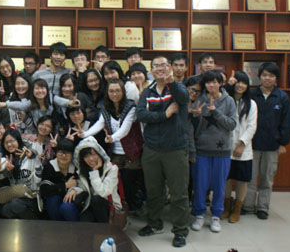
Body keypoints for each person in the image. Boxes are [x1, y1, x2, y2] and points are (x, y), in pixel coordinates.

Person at [136, 55, 191, 248]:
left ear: (170, 68)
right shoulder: (147, 91)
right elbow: (141, 114)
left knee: (178, 193)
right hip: (151, 149)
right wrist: (164, 114)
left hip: (175, 149)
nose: (160, 68)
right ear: (151, 70)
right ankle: (154, 224)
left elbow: (183, 99)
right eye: (156, 65)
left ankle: (180, 231)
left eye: (163, 65)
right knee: (153, 191)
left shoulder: (177, 88)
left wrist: (172, 83)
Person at [82, 79, 144, 213]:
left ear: (123, 92)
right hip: (115, 153)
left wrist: (113, 137)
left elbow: (125, 128)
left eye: (117, 91)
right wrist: (85, 133)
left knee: (129, 182)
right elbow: (99, 124)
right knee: (116, 183)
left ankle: (134, 208)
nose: (114, 94)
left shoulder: (130, 107)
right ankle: (121, 209)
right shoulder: (105, 108)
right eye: (111, 91)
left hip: (131, 152)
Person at [189, 70, 237, 233]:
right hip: (201, 150)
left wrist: (215, 112)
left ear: (221, 83)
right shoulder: (199, 100)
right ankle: (199, 214)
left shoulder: (229, 101)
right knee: (200, 184)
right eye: (209, 82)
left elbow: (232, 124)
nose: (212, 85)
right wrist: (195, 117)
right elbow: (192, 128)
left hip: (222, 151)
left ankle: (216, 216)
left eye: (215, 82)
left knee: (219, 185)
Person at [243, 62, 290, 220]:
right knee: (250, 177)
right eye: (264, 75)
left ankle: (263, 207)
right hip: (252, 144)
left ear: (276, 78)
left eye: (271, 76)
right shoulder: (251, 94)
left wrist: (283, 143)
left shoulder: (282, 97)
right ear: (259, 76)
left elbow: (287, 122)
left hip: (272, 145)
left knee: (267, 178)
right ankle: (247, 205)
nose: (267, 78)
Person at [223, 71, 257, 223]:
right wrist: (227, 84)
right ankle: (226, 207)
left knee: (242, 180)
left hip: (244, 149)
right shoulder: (226, 100)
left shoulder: (251, 104)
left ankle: (237, 209)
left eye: (244, 83)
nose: (240, 85)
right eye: (238, 82)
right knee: (226, 178)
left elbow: (252, 126)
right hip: (226, 146)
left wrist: (242, 145)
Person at [72, 136, 123, 223]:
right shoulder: (83, 171)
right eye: (86, 156)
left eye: (94, 154)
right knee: (84, 222)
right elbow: (84, 189)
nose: (91, 159)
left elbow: (103, 192)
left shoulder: (111, 168)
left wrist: (94, 172)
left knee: (96, 200)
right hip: (91, 205)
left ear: (100, 154)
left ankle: (106, 229)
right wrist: (74, 190)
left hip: (109, 206)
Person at [0, 128, 39, 219]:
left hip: (31, 196)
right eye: (6, 142)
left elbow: (34, 152)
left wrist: (31, 154)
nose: (9, 144)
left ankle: (34, 222)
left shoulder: (28, 152)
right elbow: (1, 174)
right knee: (4, 208)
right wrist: (7, 170)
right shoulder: (6, 158)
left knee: (14, 205)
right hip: (16, 194)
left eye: (12, 141)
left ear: (18, 140)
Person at [39, 138, 80, 221]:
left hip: (72, 200)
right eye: (61, 152)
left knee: (67, 207)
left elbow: (83, 186)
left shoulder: (76, 167)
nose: (64, 155)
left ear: (72, 155)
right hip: (53, 202)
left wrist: (75, 190)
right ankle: (56, 226)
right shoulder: (50, 166)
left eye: (67, 153)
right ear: (56, 152)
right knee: (53, 200)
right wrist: (65, 185)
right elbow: (44, 190)